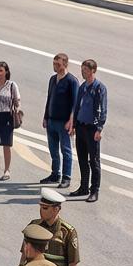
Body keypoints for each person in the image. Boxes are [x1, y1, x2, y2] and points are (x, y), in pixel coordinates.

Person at [67, 59, 107, 203]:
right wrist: (74, 126)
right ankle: (83, 187)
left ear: (92, 71)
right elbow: (77, 107)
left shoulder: (99, 88)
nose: (82, 72)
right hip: (81, 127)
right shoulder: (83, 86)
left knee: (94, 161)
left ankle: (94, 190)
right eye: (82, 69)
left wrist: (99, 128)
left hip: (92, 129)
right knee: (82, 160)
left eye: (85, 70)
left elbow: (103, 110)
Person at [40, 53, 78, 188]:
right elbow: (49, 98)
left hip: (64, 123)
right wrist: (45, 117)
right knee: (53, 149)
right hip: (51, 121)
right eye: (54, 63)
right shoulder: (52, 79)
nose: (55, 66)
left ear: (65, 64)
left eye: (58, 64)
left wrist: (71, 121)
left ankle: (66, 177)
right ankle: (55, 174)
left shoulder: (72, 81)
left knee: (66, 150)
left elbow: (75, 104)